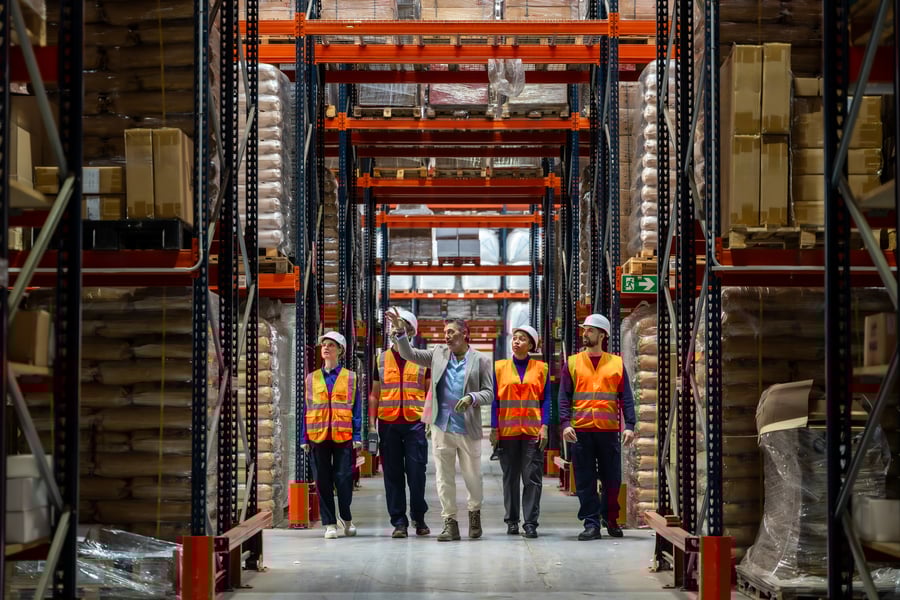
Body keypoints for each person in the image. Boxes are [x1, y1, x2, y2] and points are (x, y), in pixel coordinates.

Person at [386, 308, 493, 542]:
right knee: (443, 479)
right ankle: (450, 523)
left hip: (468, 428)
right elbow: (409, 354)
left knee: (472, 476)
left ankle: (474, 514)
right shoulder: (437, 354)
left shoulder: (481, 360)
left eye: (452, 332)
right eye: (445, 332)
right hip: (441, 426)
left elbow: (489, 393)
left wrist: (472, 398)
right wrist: (400, 332)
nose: (447, 336)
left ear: (465, 334)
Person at [559, 314, 636, 541]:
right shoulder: (572, 363)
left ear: (602, 335)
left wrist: (629, 425)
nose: (585, 333)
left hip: (608, 430)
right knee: (585, 480)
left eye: (590, 330)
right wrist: (565, 424)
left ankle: (610, 519)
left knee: (612, 479)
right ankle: (591, 523)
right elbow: (563, 397)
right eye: (584, 330)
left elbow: (626, 397)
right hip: (580, 431)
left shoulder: (616, 363)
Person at [369, 308, 432, 538]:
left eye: (401, 325)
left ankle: (419, 517)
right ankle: (399, 522)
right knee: (393, 475)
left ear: (411, 331)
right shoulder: (380, 358)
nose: (396, 329)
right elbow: (374, 394)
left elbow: (428, 393)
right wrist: (371, 425)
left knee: (417, 473)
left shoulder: (422, 358)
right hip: (388, 424)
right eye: (394, 325)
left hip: (415, 423)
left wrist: (429, 421)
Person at [300, 331, 363, 539]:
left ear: (340, 351)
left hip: (343, 436)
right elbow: (306, 409)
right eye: (324, 345)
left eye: (331, 345)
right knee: (322, 480)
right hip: (318, 436)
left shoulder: (350, 378)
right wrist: (304, 437)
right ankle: (329, 524)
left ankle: (346, 517)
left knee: (344, 479)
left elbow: (356, 408)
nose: (326, 348)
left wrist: (357, 434)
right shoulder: (311, 378)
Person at [490, 325, 550, 539]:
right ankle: (512, 521)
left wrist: (545, 425)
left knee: (532, 478)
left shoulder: (541, 368)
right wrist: (494, 428)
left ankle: (531, 523)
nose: (516, 342)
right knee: (510, 478)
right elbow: (495, 401)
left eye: (522, 339)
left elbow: (546, 400)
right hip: (507, 432)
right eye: (514, 338)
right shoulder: (499, 367)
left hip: (533, 432)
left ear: (531, 344)